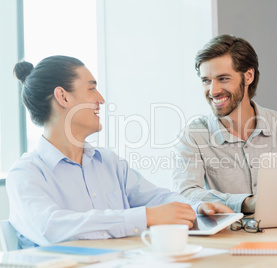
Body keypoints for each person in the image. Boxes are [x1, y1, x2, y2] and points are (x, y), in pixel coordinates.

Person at [7, 55, 232, 249]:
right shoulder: (25, 174)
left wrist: (198, 208)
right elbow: (51, 228)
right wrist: (146, 217)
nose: (101, 99)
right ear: (63, 97)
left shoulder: (108, 162)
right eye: (92, 88)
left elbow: (157, 198)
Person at [172, 34, 277, 214]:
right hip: (229, 238)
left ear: (248, 76)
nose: (213, 91)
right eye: (206, 80)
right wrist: (245, 203)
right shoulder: (194, 136)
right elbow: (185, 193)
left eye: (223, 79)